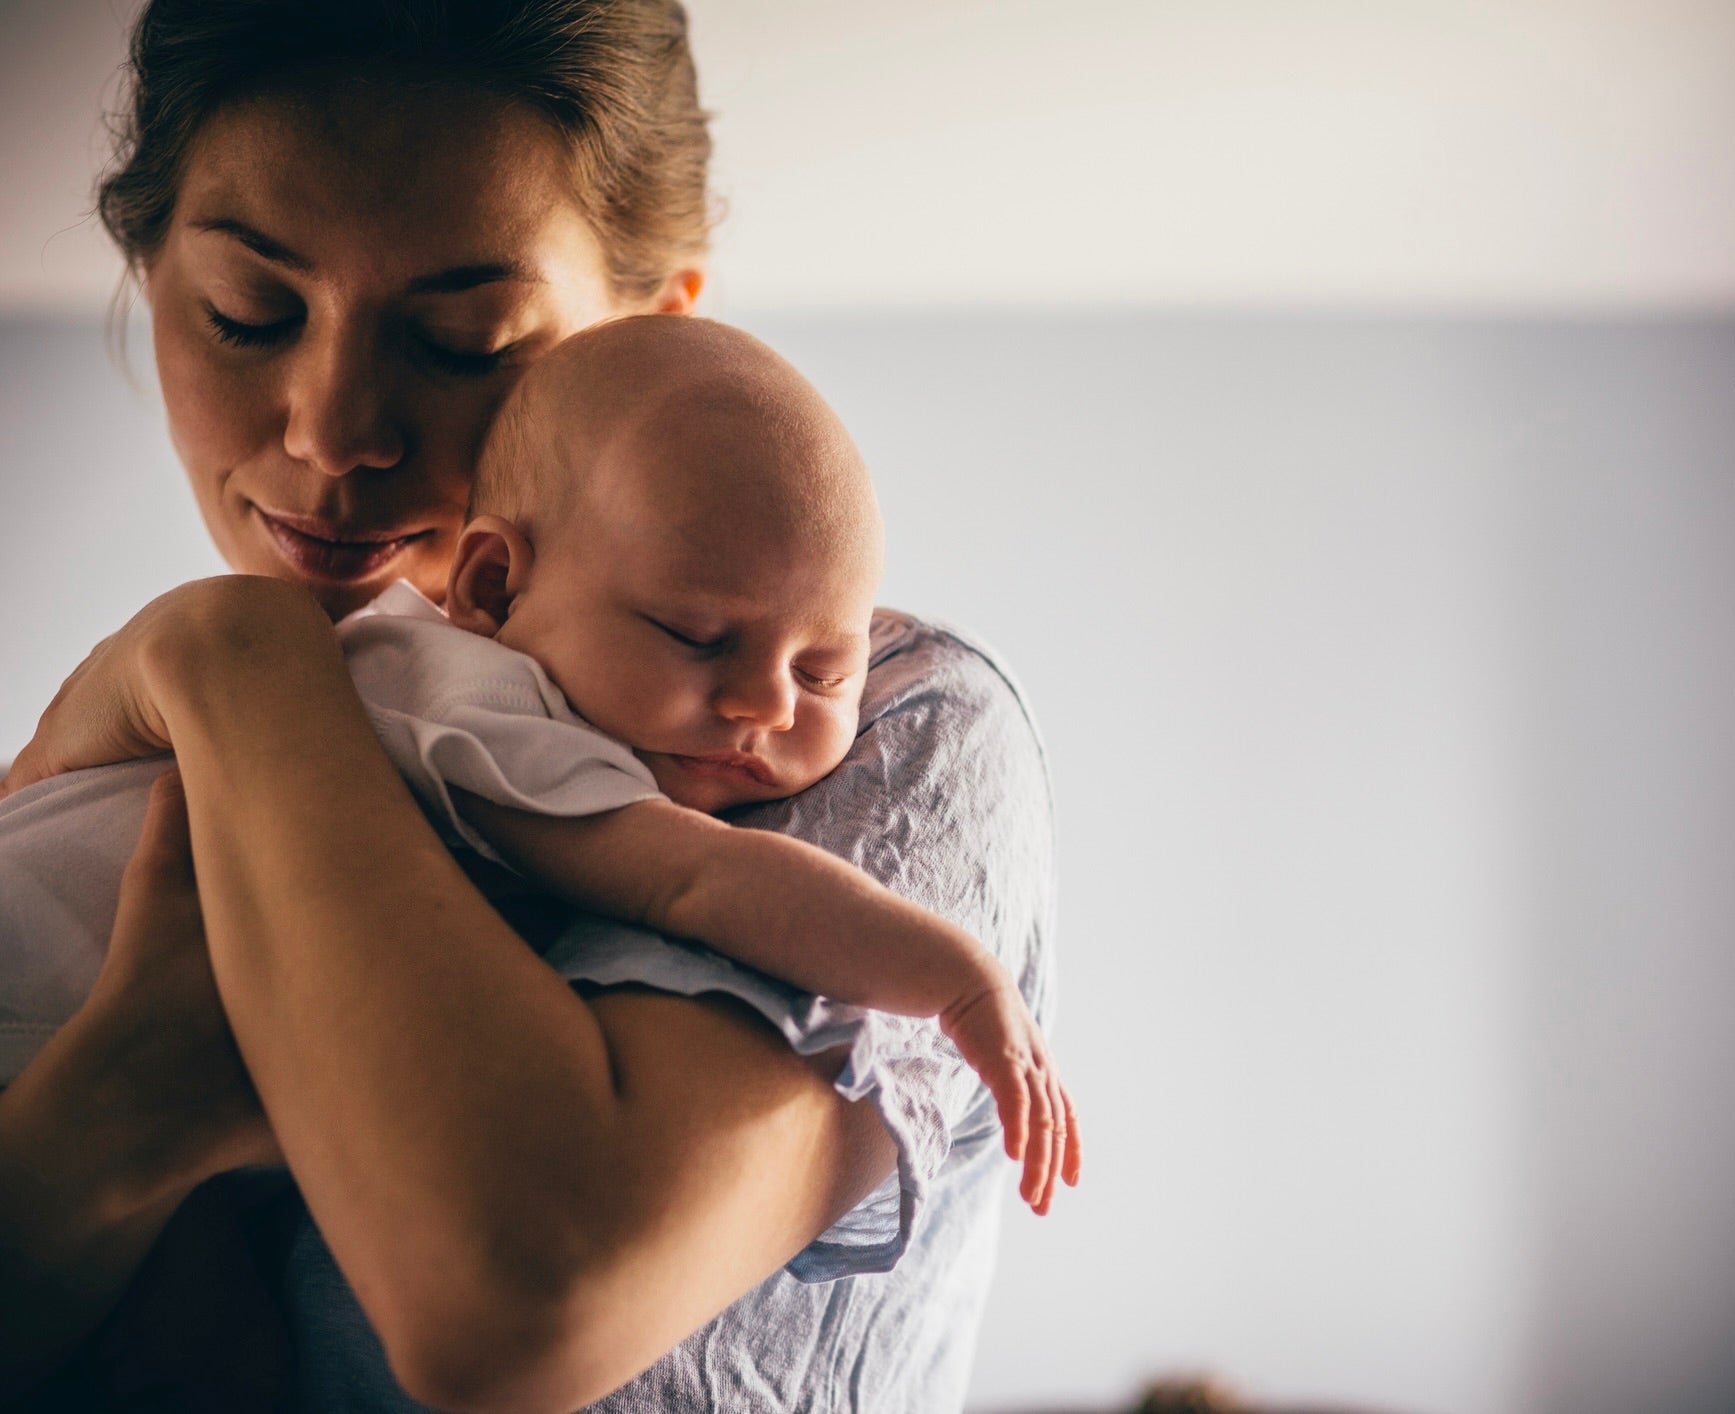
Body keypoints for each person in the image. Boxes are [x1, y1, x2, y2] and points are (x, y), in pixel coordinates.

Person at [0, 3, 1064, 1410]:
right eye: (249, 311)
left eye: (464, 339)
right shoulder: (138, 762)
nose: (331, 433)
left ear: (651, 336)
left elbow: (516, 1299)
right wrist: (121, 1106)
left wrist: (234, 658)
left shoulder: (876, 722)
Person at [0, 313, 1078, 1203]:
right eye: (696, 636)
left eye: (825, 672)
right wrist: (958, 980)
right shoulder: (473, 702)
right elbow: (699, 878)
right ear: (493, 588)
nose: (764, 701)